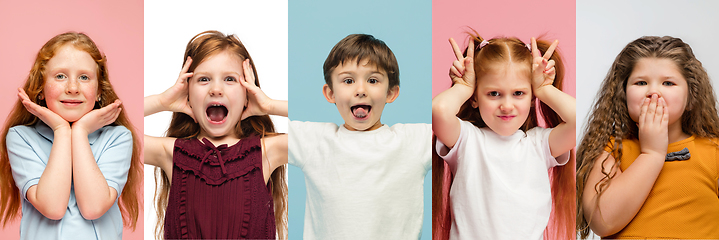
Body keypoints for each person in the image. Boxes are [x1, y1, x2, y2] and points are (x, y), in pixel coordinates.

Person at [144, 31, 288, 240]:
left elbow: (323, 129)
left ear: (248, 94)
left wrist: (269, 105)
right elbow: (115, 123)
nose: (216, 89)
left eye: (230, 79)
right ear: (188, 95)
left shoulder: (266, 151)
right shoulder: (170, 152)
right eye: (204, 79)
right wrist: (162, 101)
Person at [432, 31, 576, 240]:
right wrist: (463, 87)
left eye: (518, 93)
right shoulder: (467, 141)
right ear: (474, 97)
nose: (506, 105)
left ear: (532, 96)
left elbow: (576, 120)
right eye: (493, 93)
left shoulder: (539, 145)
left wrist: (544, 89)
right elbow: (440, 110)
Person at [288, 34, 432, 239]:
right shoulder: (316, 142)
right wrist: (268, 105)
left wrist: (463, 86)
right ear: (330, 93)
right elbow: (267, 127)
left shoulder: (412, 142)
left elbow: (451, 123)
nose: (361, 90)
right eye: (348, 81)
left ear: (391, 92)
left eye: (373, 80)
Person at [0, 32, 142, 240]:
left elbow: (94, 207)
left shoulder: (118, 137)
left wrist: (80, 131)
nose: (73, 88)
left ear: (100, 91)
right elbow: (53, 207)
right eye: (60, 76)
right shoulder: (21, 137)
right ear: (40, 89)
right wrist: (61, 130)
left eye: (84, 77)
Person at [576, 36, 719, 239]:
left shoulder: (714, 151)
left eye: (668, 83)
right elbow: (602, 222)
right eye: (641, 82)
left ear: (691, 97)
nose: (653, 91)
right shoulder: (610, 150)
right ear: (623, 94)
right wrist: (652, 154)